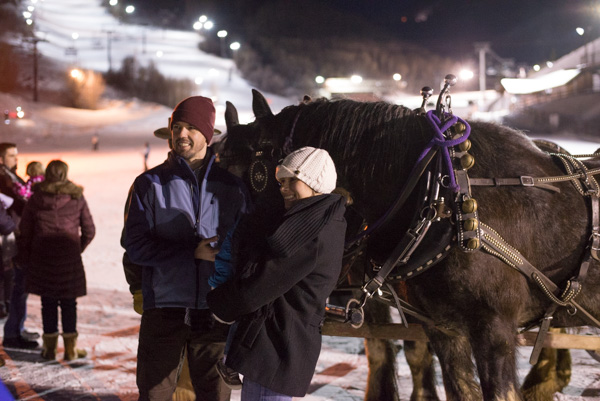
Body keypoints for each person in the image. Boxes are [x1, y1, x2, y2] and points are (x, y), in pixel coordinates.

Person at [123, 96, 249, 401]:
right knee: (154, 394)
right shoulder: (148, 184)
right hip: (164, 308)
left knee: (214, 395)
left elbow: (249, 245)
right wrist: (190, 252)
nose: (181, 134)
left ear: (207, 134)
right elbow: (135, 246)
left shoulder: (233, 187)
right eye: (177, 126)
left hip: (215, 311)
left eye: (191, 127)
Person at [207, 146, 347, 401]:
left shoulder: (310, 233)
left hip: (276, 349)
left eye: (292, 180)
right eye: (281, 181)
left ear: (314, 181)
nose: (283, 187)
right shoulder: (317, 219)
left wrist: (220, 302)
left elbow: (260, 284)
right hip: (275, 346)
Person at [18, 160, 95, 360]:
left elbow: (25, 231)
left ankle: (50, 349)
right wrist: (76, 248)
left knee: (48, 302)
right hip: (69, 260)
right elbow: (89, 230)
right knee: (69, 303)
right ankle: (70, 350)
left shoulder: (36, 198)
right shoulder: (76, 196)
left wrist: (27, 254)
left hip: (42, 258)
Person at [0, 142, 38, 349]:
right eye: (11, 155)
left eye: (16, 154)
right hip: (11, 241)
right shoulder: (3, 179)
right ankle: (12, 333)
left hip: (19, 240)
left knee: (20, 286)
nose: (16, 159)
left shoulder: (11, 176)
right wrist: (13, 228)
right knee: (16, 286)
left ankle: (17, 328)